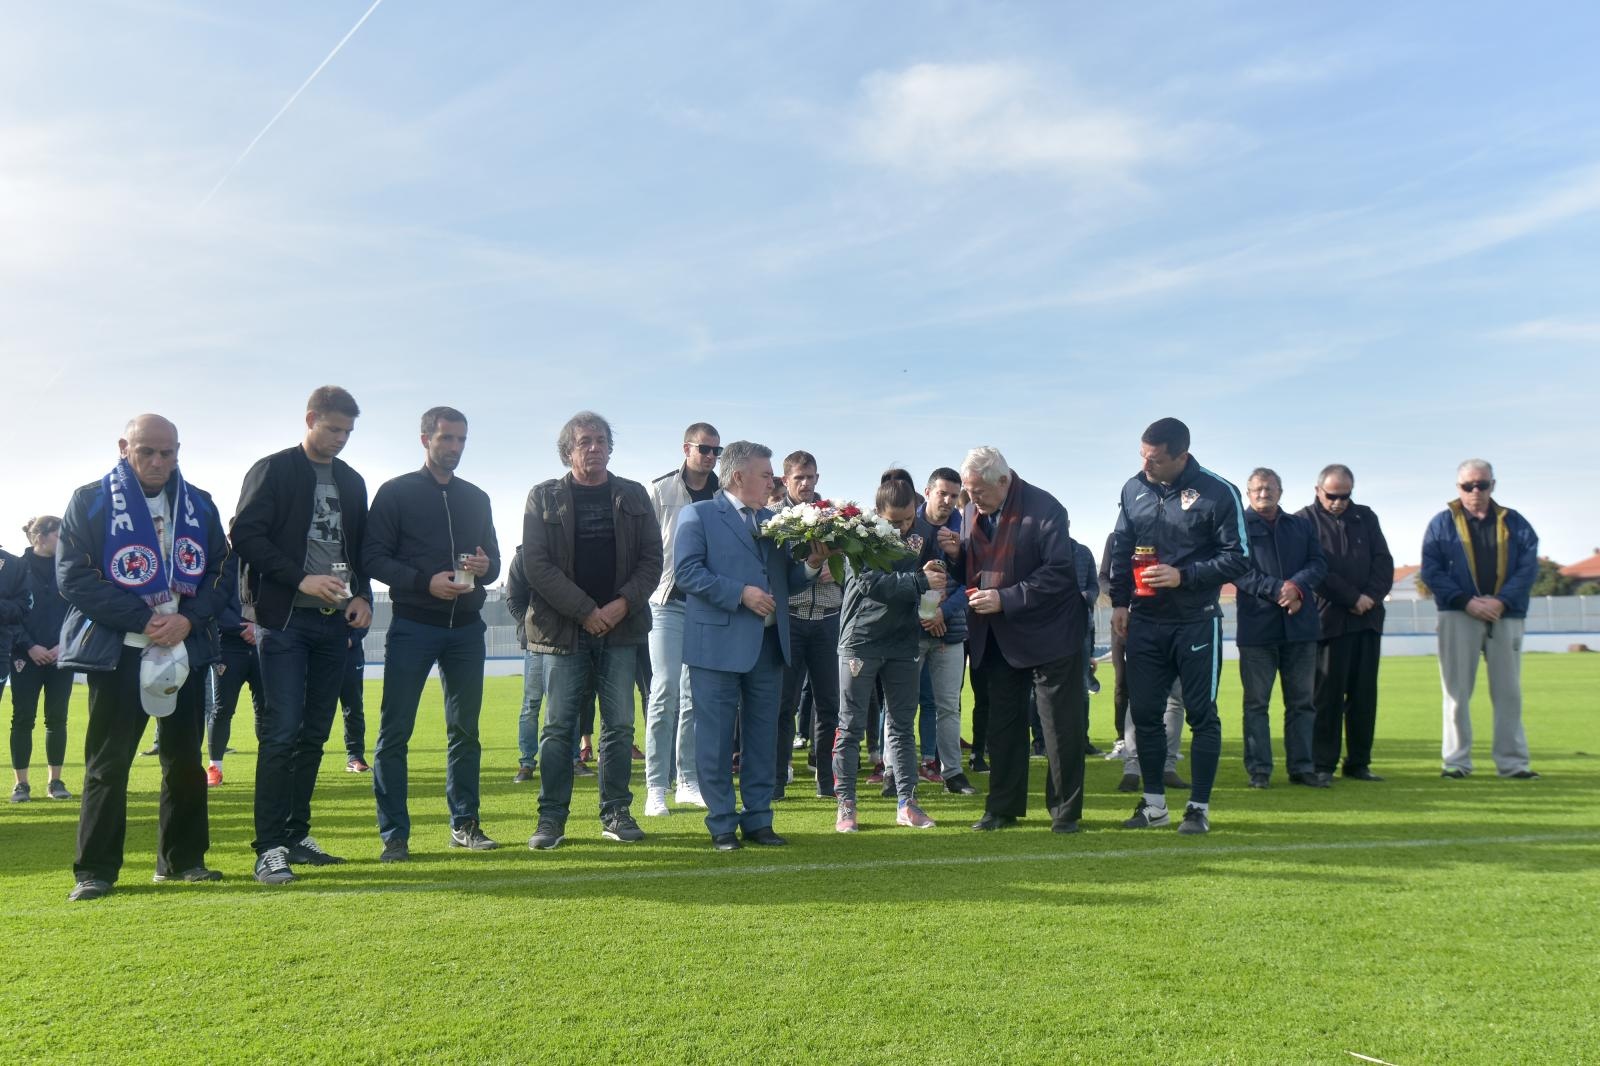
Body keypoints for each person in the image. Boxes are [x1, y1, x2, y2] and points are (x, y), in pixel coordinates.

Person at [57, 414, 229, 900]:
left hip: (184, 647)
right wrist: (143, 619)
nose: (157, 461)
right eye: (146, 451)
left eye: (167, 452)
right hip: (120, 652)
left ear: (178, 450)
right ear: (123, 447)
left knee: (184, 761)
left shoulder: (201, 505)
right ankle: (95, 872)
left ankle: (182, 861)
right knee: (108, 764)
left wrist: (188, 621)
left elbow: (220, 570)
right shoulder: (89, 501)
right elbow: (74, 576)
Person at [230, 385, 373, 884]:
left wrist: (363, 598)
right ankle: (268, 847)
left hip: (334, 624)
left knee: (315, 733)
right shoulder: (273, 469)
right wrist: (300, 577)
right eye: (333, 428)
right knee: (282, 731)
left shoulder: (353, 482)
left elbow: (361, 553)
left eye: (348, 432)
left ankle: (295, 833)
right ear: (310, 418)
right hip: (284, 621)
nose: (341, 439)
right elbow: (243, 534)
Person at [674, 441, 826, 850]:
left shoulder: (774, 522)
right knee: (717, 739)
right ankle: (722, 822)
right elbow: (686, 573)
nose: (773, 481)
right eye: (766, 474)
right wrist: (740, 593)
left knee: (762, 736)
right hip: (717, 646)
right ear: (738, 476)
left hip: (768, 644)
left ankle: (759, 819)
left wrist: (811, 566)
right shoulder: (699, 515)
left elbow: (784, 580)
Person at [366, 407, 502, 862]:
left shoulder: (477, 497)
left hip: (465, 629)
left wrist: (485, 569)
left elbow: (495, 563)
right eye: (447, 439)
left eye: (462, 440)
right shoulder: (396, 493)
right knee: (395, 732)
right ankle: (394, 836)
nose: (455, 448)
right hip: (413, 625)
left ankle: (464, 824)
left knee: (465, 732)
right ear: (425, 439)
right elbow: (373, 558)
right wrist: (423, 581)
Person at [522, 412, 662, 850]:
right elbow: (536, 565)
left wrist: (620, 605)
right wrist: (586, 611)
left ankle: (616, 812)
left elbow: (651, 561)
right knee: (559, 728)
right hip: (563, 632)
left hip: (621, 630)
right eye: (585, 441)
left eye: (601, 440)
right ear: (568, 450)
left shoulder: (633, 494)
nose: (595, 448)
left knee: (619, 726)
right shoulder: (542, 496)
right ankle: (551, 820)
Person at [1109, 417, 1249, 835]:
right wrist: (1119, 601)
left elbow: (1239, 557)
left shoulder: (1218, 491)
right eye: (1142, 456)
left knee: (1201, 715)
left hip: (1196, 621)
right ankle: (1153, 804)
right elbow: (1120, 547)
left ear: (1181, 456)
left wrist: (1182, 576)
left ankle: (1197, 808)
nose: (1145, 466)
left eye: (1154, 459)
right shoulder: (1132, 489)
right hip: (1146, 621)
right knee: (1146, 714)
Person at [956, 446, 1088, 834]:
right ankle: (1001, 808)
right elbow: (973, 564)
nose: (972, 498)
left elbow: (1059, 573)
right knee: (1003, 724)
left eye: (978, 491)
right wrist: (953, 555)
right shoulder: (969, 512)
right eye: (969, 490)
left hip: (1052, 634)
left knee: (1059, 727)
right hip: (997, 635)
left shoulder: (1046, 509)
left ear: (1004, 480)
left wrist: (1005, 598)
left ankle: (1065, 812)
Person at [832, 477, 949, 831]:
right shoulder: (860, 535)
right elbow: (871, 584)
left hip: (903, 642)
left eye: (908, 519)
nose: (901, 527)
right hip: (862, 640)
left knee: (901, 725)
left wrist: (936, 588)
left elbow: (938, 576)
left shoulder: (925, 536)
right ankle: (847, 806)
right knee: (850, 725)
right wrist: (920, 581)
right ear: (878, 512)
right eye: (893, 521)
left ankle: (907, 803)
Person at [1421, 460, 1540, 780]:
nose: (1475, 491)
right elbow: (1431, 570)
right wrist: (1467, 602)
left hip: (1506, 614)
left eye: (1482, 484)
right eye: (1468, 486)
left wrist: (1501, 601)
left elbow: (1528, 567)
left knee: (1509, 694)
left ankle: (1513, 763)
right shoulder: (1441, 523)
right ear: (1457, 487)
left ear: (1493, 485)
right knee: (1456, 693)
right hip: (1458, 614)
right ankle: (1457, 762)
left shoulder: (1515, 523)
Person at [1297, 464, 1393, 782]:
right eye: (1332, 495)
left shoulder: (1365, 516)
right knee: (1326, 696)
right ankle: (1322, 764)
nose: (1338, 502)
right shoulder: (1303, 522)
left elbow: (1383, 561)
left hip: (1367, 620)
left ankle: (1359, 762)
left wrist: (1371, 597)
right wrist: (1352, 597)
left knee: (1364, 695)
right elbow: (1317, 569)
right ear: (1317, 490)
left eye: (1345, 495)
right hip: (1328, 621)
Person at [643, 422, 720, 816]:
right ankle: (656, 785)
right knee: (665, 689)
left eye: (715, 451)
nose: (709, 457)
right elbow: (645, 544)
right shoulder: (660, 489)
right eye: (704, 449)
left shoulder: (722, 494)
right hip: (666, 600)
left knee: (694, 697)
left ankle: (688, 780)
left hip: (706, 604)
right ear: (686, 448)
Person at [1235, 468, 1328, 789]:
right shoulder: (1238, 530)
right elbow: (1239, 571)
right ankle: (1259, 770)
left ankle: (1302, 767)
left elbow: (1318, 564)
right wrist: (1278, 590)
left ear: (1281, 491)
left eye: (1270, 488)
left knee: (1302, 703)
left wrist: (1297, 588)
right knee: (1256, 704)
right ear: (1248, 493)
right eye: (1258, 489)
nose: (1264, 494)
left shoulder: (1300, 526)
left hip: (1300, 628)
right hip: (1258, 630)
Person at [775, 450, 845, 797]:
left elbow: (854, 566)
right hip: (790, 619)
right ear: (785, 479)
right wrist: (807, 570)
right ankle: (776, 778)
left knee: (829, 704)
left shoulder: (838, 516)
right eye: (798, 477)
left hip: (829, 620)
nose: (805, 483)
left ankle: (826, 780)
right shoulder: (774, 518)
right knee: (783, 704)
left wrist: (840, 571)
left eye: (811, 476)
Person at [909, 466, 976, 796]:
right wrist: (926, 613)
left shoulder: (967, 530)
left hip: (949, 631)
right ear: (927, 491)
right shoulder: (909, 524)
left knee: (949, 706)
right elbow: (897, 577)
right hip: (910, 631)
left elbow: (973, 583)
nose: (948, 500)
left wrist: (940, 613)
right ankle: (897, 773)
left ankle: (953, 773)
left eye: (953, 494)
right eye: (942, 493)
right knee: (901, 705)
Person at [9, 516, 75, 802]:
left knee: (57, 719)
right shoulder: (15, 569)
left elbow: (80, 610)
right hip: (25, 657)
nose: (65, 541)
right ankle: (21, 785)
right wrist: (30, 646)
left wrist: (64, 645)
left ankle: (55, 782)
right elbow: (9, 614)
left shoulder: (70, 569)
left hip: (62, 656)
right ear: (41, 537)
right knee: (23, 719)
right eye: (60, 535)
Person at [202, 553, 264, 788]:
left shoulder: (268, 561)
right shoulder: (220, 564)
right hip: (228, 646)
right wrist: (242, 628)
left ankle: (267, 765)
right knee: (223, 708)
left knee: (266, 708)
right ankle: (215, 767)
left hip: (263, 643)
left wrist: (260, 626)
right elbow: (215, 602)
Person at [503, 544, 545, 784]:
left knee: (566, 705)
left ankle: (572, 760)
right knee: (531, 705)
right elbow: (513, 601)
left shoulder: (565, 547)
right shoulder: (521, 559)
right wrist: (534, 625)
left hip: (566, 639)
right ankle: (527, 762)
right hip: (534, 643)